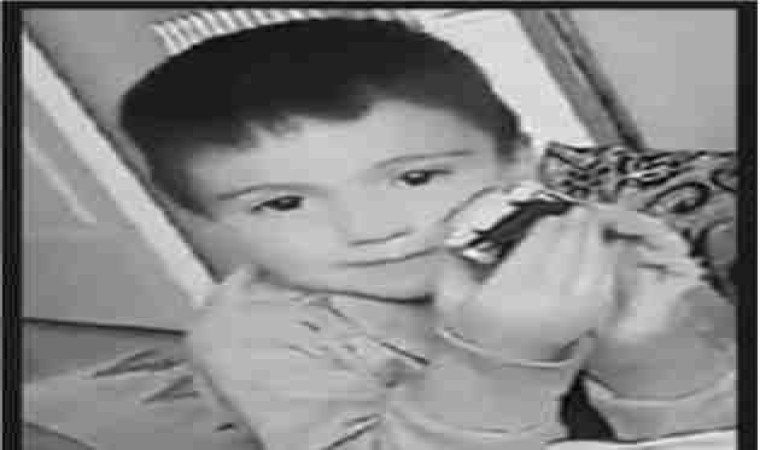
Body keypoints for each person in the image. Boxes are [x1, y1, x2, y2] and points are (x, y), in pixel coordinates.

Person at [119, 18, 735, 450]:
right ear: (207, 219)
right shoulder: (256, 340)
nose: (373, 230)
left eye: (416, 177)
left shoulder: (599, 248)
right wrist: (494, 359)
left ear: (517, 163)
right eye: (283, 203)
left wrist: (651, 351)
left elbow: (715, 429)